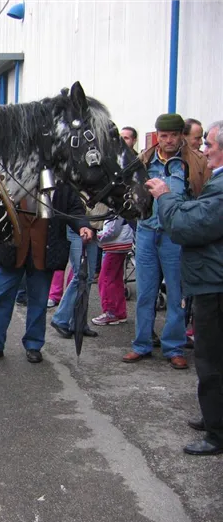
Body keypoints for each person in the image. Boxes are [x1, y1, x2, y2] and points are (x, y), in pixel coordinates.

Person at [146, 119, 223, 455]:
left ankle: (217, 433)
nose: (204, 150)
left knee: (210, 359)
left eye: (209, 145)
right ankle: (214, 417)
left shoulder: (214, 182)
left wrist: (164, 197)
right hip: (207, 275)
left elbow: (187, 224)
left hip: (213, 282)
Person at [122, 113, 211, 369]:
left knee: (176, 294)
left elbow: (203, 198)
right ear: (157, 136)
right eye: (164, 136)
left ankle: (174, 347)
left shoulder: (194, 163)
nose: (169, 140)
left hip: (176, 236)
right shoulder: (144, 160)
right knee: (145, 293)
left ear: (181, 136)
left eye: (173, 135)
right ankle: (141, 345)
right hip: (147, 232)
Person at [0, 184, 91, 364]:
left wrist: (82, 226)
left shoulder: (60, 178)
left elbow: (74, 207)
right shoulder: (15, 171)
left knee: (39, 301)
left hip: (44, 251)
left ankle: (34, 345)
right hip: (13, 249)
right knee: (1, 297)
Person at [91, 217, 133, 325]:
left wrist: (97, 236)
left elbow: (113, 231)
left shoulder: (116, 211)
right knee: (116, 280)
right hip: (120, 244)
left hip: (115, 246)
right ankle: (120, 312)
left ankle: (110, 312)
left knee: (105, 279)